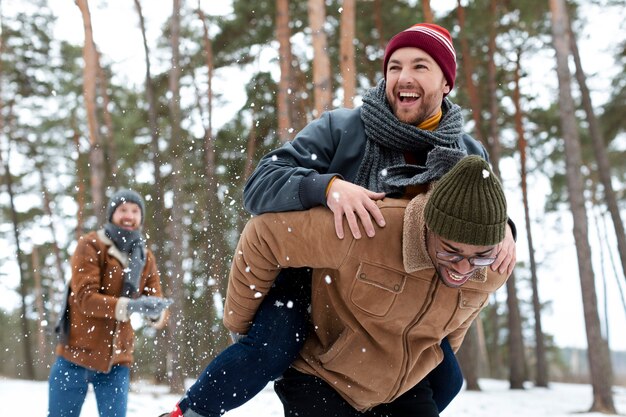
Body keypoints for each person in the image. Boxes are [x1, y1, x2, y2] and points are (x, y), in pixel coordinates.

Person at [161, 22, 516, 417]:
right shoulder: (344, 129)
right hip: (317, 277)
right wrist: (326, 188)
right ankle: (190, 412)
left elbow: (483, 213)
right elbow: (259, 186)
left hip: (400, 296)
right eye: (395, 67)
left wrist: (506, 232)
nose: (403, 77)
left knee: (447, 378)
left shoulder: (467, 152)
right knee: (272, 348)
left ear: (446, 84)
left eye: (420, 67)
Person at [224, 155, 510, 416]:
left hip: (402, 390)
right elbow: (263, 236)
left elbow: (458, 322)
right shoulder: (368, 228)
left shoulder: (494, 269)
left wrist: (423, 357)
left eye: (479, 256)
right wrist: (240, 324)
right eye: (451, 251)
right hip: (322, 376)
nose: (463, 268)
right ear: (429, 228)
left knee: (450, 382)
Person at [48, 189, 172, 417]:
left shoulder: (145, 257)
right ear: (112, 214)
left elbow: (157, 298)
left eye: (135, 211)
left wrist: (156, 311)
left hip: (117, 360)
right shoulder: (91, 244)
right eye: (123, 209)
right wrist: (130, 306)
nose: (129, 216)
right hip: (75, 355)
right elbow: (85, 298)